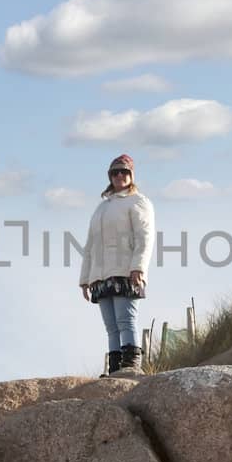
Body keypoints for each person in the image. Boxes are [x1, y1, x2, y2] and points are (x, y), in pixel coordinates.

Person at [78, 153, 155, 375]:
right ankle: (114, 371)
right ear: (109, 176)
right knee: (111, 326)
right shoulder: (101, 208)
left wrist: (138, 266)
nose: (119, 175)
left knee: (126, 319)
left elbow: (145, 236)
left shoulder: (138, 202)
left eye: (124, 171)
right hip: (100, 275)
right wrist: (85, 279)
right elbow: (91, 245)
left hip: (125, 270)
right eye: (115, 172)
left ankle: (131, 367)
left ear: (131, 175)